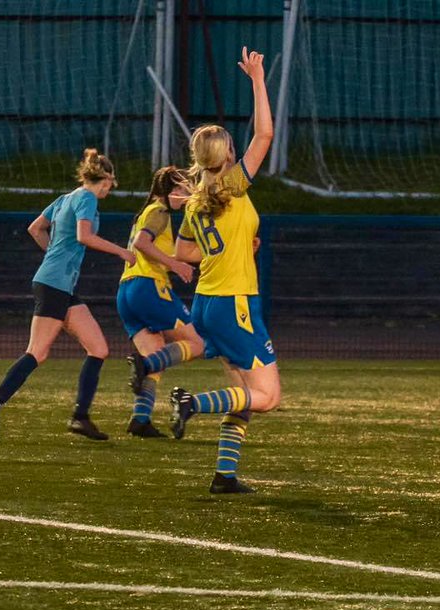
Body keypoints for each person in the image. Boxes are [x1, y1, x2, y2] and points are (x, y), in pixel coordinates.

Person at [168, 47, 276, 494]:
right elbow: (266, 134)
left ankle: (224, 475)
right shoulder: (232, 186)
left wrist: (234, 247)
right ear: (227, 153)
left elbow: (184, 254)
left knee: (244, 395)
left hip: (207, 303)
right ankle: (193, 402)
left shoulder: (197, 199)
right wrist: (257, 78)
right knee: (268, 397)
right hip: (234, 302)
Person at [0, 148, 134, 442]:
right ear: (104, 178)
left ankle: (80, 417)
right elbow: (84, 236)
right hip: (55, 285)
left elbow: (36, 228)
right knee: (37, 352)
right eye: (111, 182)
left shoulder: (66, 198)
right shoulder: (86, 198)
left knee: (99, 348)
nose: (111, 188)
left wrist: (54, 255)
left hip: (59, 284)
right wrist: (121, 251)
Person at [119, 166, 205, 437]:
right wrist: (176, 266)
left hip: (126, 291)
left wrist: (178, 261)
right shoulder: (160, 212)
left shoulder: (147, 212)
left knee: (156, 353)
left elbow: (144, 247)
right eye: (181, 190)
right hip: (148, 287)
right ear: (165, 191)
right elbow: (143, 243)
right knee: (197, 343)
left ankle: (140, 418)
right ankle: (144, 365)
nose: (185, 196)